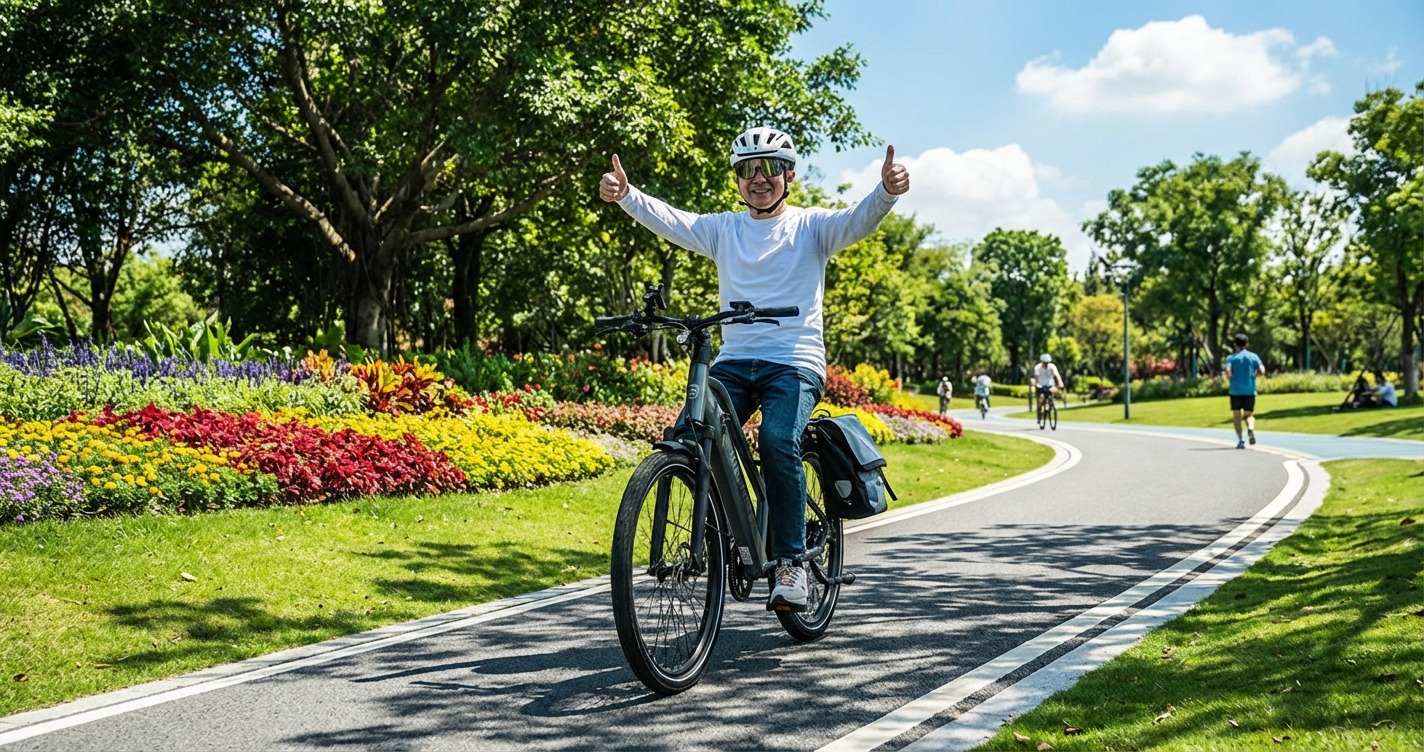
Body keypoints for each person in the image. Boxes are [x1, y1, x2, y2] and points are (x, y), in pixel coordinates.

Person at [599, 126, 910, 611]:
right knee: (689, 435)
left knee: (776, 440)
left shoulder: (810, 227)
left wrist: (886, 191)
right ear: (738, 180)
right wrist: (627, 197)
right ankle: (723, 535)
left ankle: (789, 563)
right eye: (747, 170)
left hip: (794, 361)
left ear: (789, 175)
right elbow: (673, 221)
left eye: (768, 168)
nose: (757, 178)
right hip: (735, 361)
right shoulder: (725, 229)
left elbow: (858, 220)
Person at [1222, 332, 1265, 449]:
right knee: (1249, 415)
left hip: (1235, 391)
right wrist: (1254, 376)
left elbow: (1228, 372)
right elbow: (1262, 370)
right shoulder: (1253, 357)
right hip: (1249, 390)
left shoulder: (1231, 358)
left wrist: (1229, 376)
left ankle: (1241, 440)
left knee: (1237, 417)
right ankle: (1250, 429)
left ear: (1235, 344)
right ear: (1247, 344)